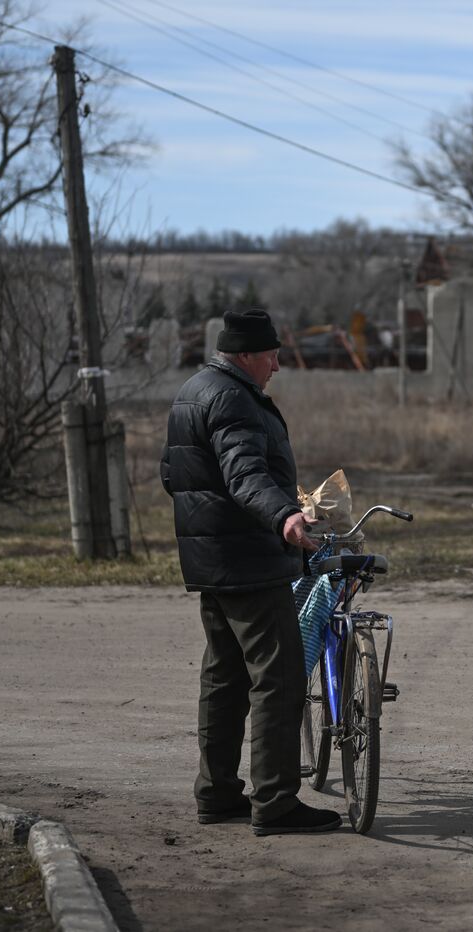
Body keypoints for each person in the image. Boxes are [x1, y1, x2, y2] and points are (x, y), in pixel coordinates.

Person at [160, 308, 341, 836]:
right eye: (270, 355)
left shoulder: (193, 390)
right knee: (279, 680)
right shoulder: (233, 398)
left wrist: (210, 522)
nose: (277, 365)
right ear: (244, 355)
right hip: (250, 563)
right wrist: (283, 515)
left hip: (213, 561)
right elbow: (245, 474)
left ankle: (217, 794)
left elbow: (173, 474)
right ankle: (276, 802)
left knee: (225, 678)